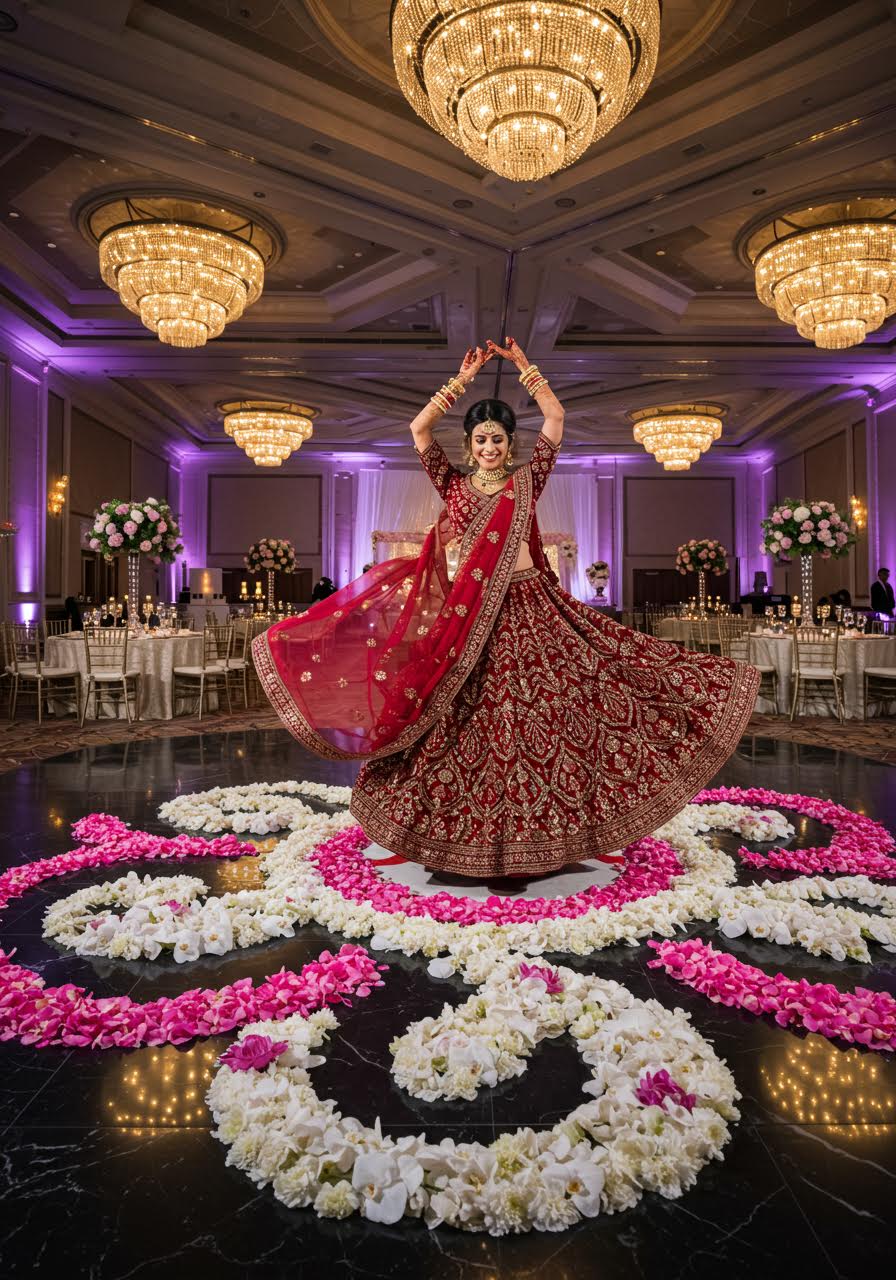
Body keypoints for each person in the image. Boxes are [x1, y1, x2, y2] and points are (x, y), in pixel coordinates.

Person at [254, 339, 760, 879]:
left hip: (528, 605)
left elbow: (556, 417)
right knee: (455, 713)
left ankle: (575, 827)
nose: (490, 446)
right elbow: (418, 431)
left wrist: (524, 368)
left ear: (509, 444)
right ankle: (429, 825)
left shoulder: (527, 479)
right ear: (468, 446)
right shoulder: (452, 483)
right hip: (470, 615)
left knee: (558, 706)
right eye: (480, 439)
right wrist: (459, 382)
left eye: (497, 438)